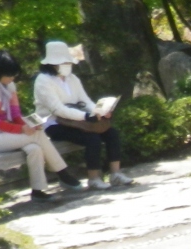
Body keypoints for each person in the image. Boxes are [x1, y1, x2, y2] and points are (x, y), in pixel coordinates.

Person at [0, 50, 79, 203]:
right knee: (37, 136)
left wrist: (30, 125)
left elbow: (15, 114)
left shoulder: (9, 85)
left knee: (35, 148)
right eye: (9, 75)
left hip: (8, 131)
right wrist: (22, 129)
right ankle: (62, 173)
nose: (12, 78)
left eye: (14, 75)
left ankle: (37, 191)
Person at [33, 41, 133, 189]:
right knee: (92, 138)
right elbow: (58, 110)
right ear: (52, 64)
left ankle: (115, 174)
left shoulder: (73, 79)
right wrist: (85, 117)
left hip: (77, 120)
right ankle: (93, 178)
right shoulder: (43, 81)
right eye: (63, 62)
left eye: (68, 62)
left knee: (112, 133)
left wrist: (99, 111)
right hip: (54, 124)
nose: (67, 65)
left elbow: (85, 101)